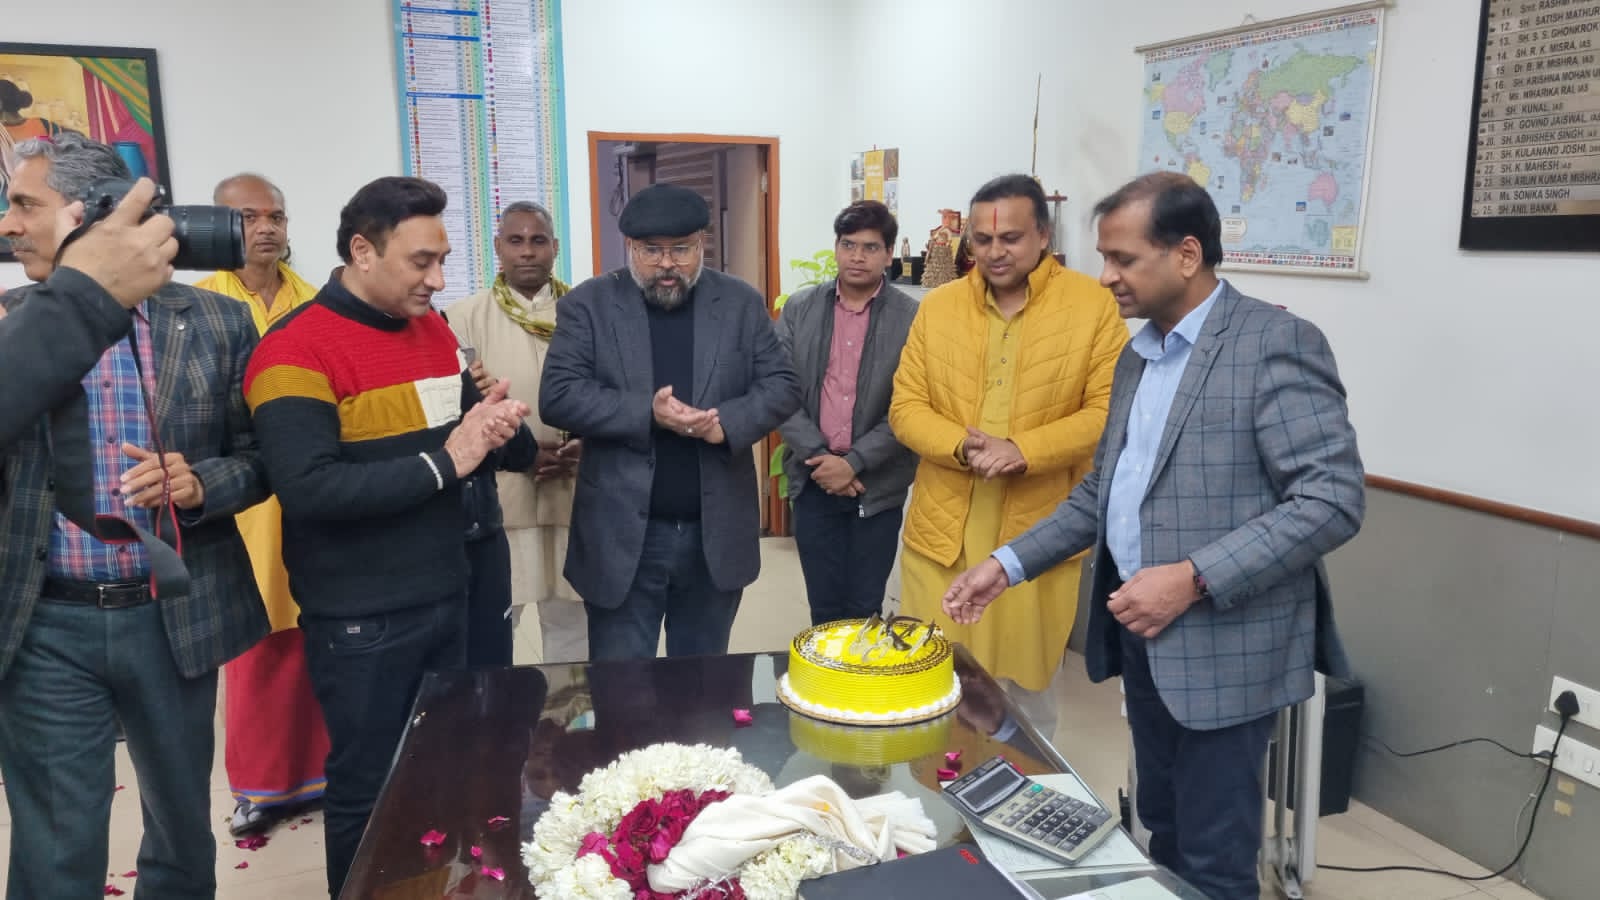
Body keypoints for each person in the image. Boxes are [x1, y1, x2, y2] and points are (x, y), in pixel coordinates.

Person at [943, 171, 1366, 900]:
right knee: (1163, 830)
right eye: (1104, 258)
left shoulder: (1273, 343)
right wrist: (1006, 564)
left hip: (1226, 648)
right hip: (1145, 641)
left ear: (1186, 254)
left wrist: (1192, 578)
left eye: (1123, 259)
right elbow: (1102, 494)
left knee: (1215, 858)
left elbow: (1332, 499)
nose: (1106, 276)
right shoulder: (1139, 355)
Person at [244, 175, 534, 897]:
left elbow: (461, 440)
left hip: (451, 591)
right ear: (362, 251)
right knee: (370, 786)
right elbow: (310, 489)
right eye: (420, 262)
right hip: (364, 616)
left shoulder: (431, 330)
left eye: (442, 260)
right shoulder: (294, 350)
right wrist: (449, 460)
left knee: (440, 769)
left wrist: (492, 425)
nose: (437, 280)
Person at [0, 135, 270, 899]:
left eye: (25, 205)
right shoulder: (12, 325)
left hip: (172, 615)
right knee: (56, 842)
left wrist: (201, 483)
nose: (8, 225)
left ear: (90, 215)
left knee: (182, 828)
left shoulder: (217, 322)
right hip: (44, 623)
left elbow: (261, 457)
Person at [889, 174, 1126, 738]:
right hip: (944, 525)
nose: (995, 251)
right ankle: (937, 787)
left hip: (1037, 529)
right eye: (983, 239)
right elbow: (905, 406)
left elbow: (1110, 411)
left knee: (1026, 693)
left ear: (1043, 236)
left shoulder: (1092, 306)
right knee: (932, 678)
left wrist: (1025, 450)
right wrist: (959, 444)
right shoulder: (939, 306)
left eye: (1011, 238)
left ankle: (1027, 787)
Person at [539, 182, 801, 660]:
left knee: (702, 686)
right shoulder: (589, 305)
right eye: (651, 251)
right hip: (622, 536)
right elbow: (558, 396)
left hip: (713, 534)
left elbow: (782, 385)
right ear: (630, 247)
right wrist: (648, 413)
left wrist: (727, 423)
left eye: (681, 249)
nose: (666, 264)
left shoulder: (739, 303)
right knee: (622, 686)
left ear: (702, 243)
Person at [194, 172, 329, 835]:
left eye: (275, 215)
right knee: (253, 646)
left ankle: (322, 774)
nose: (266, 227)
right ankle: (258, 788)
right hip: (240, 500)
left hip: (310, 489)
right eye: (249, 217)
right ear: (219, 224)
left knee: (315, 634)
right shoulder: (196, 303)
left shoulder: (316, 299)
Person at [446, 200, 586, 663]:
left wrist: (587, 443)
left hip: (575, 488)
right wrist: (522, 451)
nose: (527, 251)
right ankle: (502, 709)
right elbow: (458, 405)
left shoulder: (583, 311)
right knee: (499, 620)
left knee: (574, 622)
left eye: (538, 240)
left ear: (555, 248)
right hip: (505, 495)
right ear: (498, 247)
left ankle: (571, 708)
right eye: (515, 240)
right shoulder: (463, 318)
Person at [774, 201, 917, 625]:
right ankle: (826, 671)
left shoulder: (913, 318)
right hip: (813, 478)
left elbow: (912, 404)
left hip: (876, 484)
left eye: (870, 247)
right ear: (836, 247)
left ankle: (861, 673)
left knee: (864, 608)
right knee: (823, 608)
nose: (857, 256)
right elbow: (778, 389)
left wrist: (853, 463)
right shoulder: (800, 308)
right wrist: (822, 459)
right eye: (848, 245)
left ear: (888, 255)